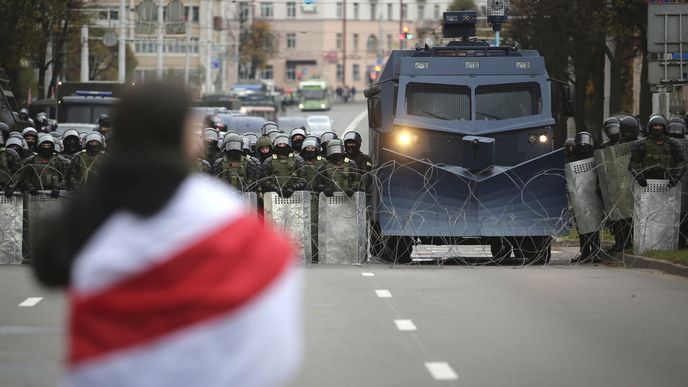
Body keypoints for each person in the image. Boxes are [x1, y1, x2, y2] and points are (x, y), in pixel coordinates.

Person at [31, 82, 302, 387]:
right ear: (186, 138)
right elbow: (272, 286)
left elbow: (49, 265)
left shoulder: (100, 203)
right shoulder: (216, 206)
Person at [569, 132, 601, 263]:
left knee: (594, 225)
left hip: (593, 195)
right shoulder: (573, 159)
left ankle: (596, 251)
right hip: (578, 197)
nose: (584, 147)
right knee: (581, 226)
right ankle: (585, 251)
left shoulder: (596, 159)